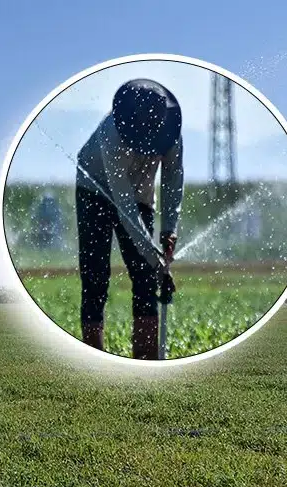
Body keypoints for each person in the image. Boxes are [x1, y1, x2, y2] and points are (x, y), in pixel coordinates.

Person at [75, 78, 183, 360]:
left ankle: (145, 361)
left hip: (140, 196)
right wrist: (155, 258)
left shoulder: (172, 133)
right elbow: (124, 206)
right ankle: (94, 358)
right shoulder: (111, 135)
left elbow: (173, 181)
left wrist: (169, 232)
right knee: (95, 275)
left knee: (145, 279)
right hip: (94, 189)